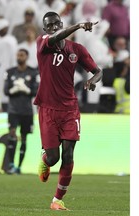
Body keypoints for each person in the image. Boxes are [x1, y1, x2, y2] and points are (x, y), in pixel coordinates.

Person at [34, 11, 102, 210]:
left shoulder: (76, 49)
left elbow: (98, 71)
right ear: (45, 29)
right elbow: (56, 37)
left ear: (61, 23)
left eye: (57, 23)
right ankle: (45, 160)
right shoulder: (42, 44)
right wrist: (79, 25)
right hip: (47, 108)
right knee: (54, 158)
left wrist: (91, 81)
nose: (54, 27)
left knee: (69, 155)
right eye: (50, 25)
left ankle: (57, 200)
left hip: (70, 110)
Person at [3, 49, 39, 174]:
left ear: (27, 57)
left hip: (27, 111)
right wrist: (13, 89)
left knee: (24, 137)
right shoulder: (10, 72)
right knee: (12, 134)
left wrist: (26, 89)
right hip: (13, 110)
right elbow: (6, 91)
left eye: (22, 55)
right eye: (18, 55)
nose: (19, 57)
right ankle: (11, 164)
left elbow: (36, 91)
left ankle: (19, 166)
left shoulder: (33, 72)